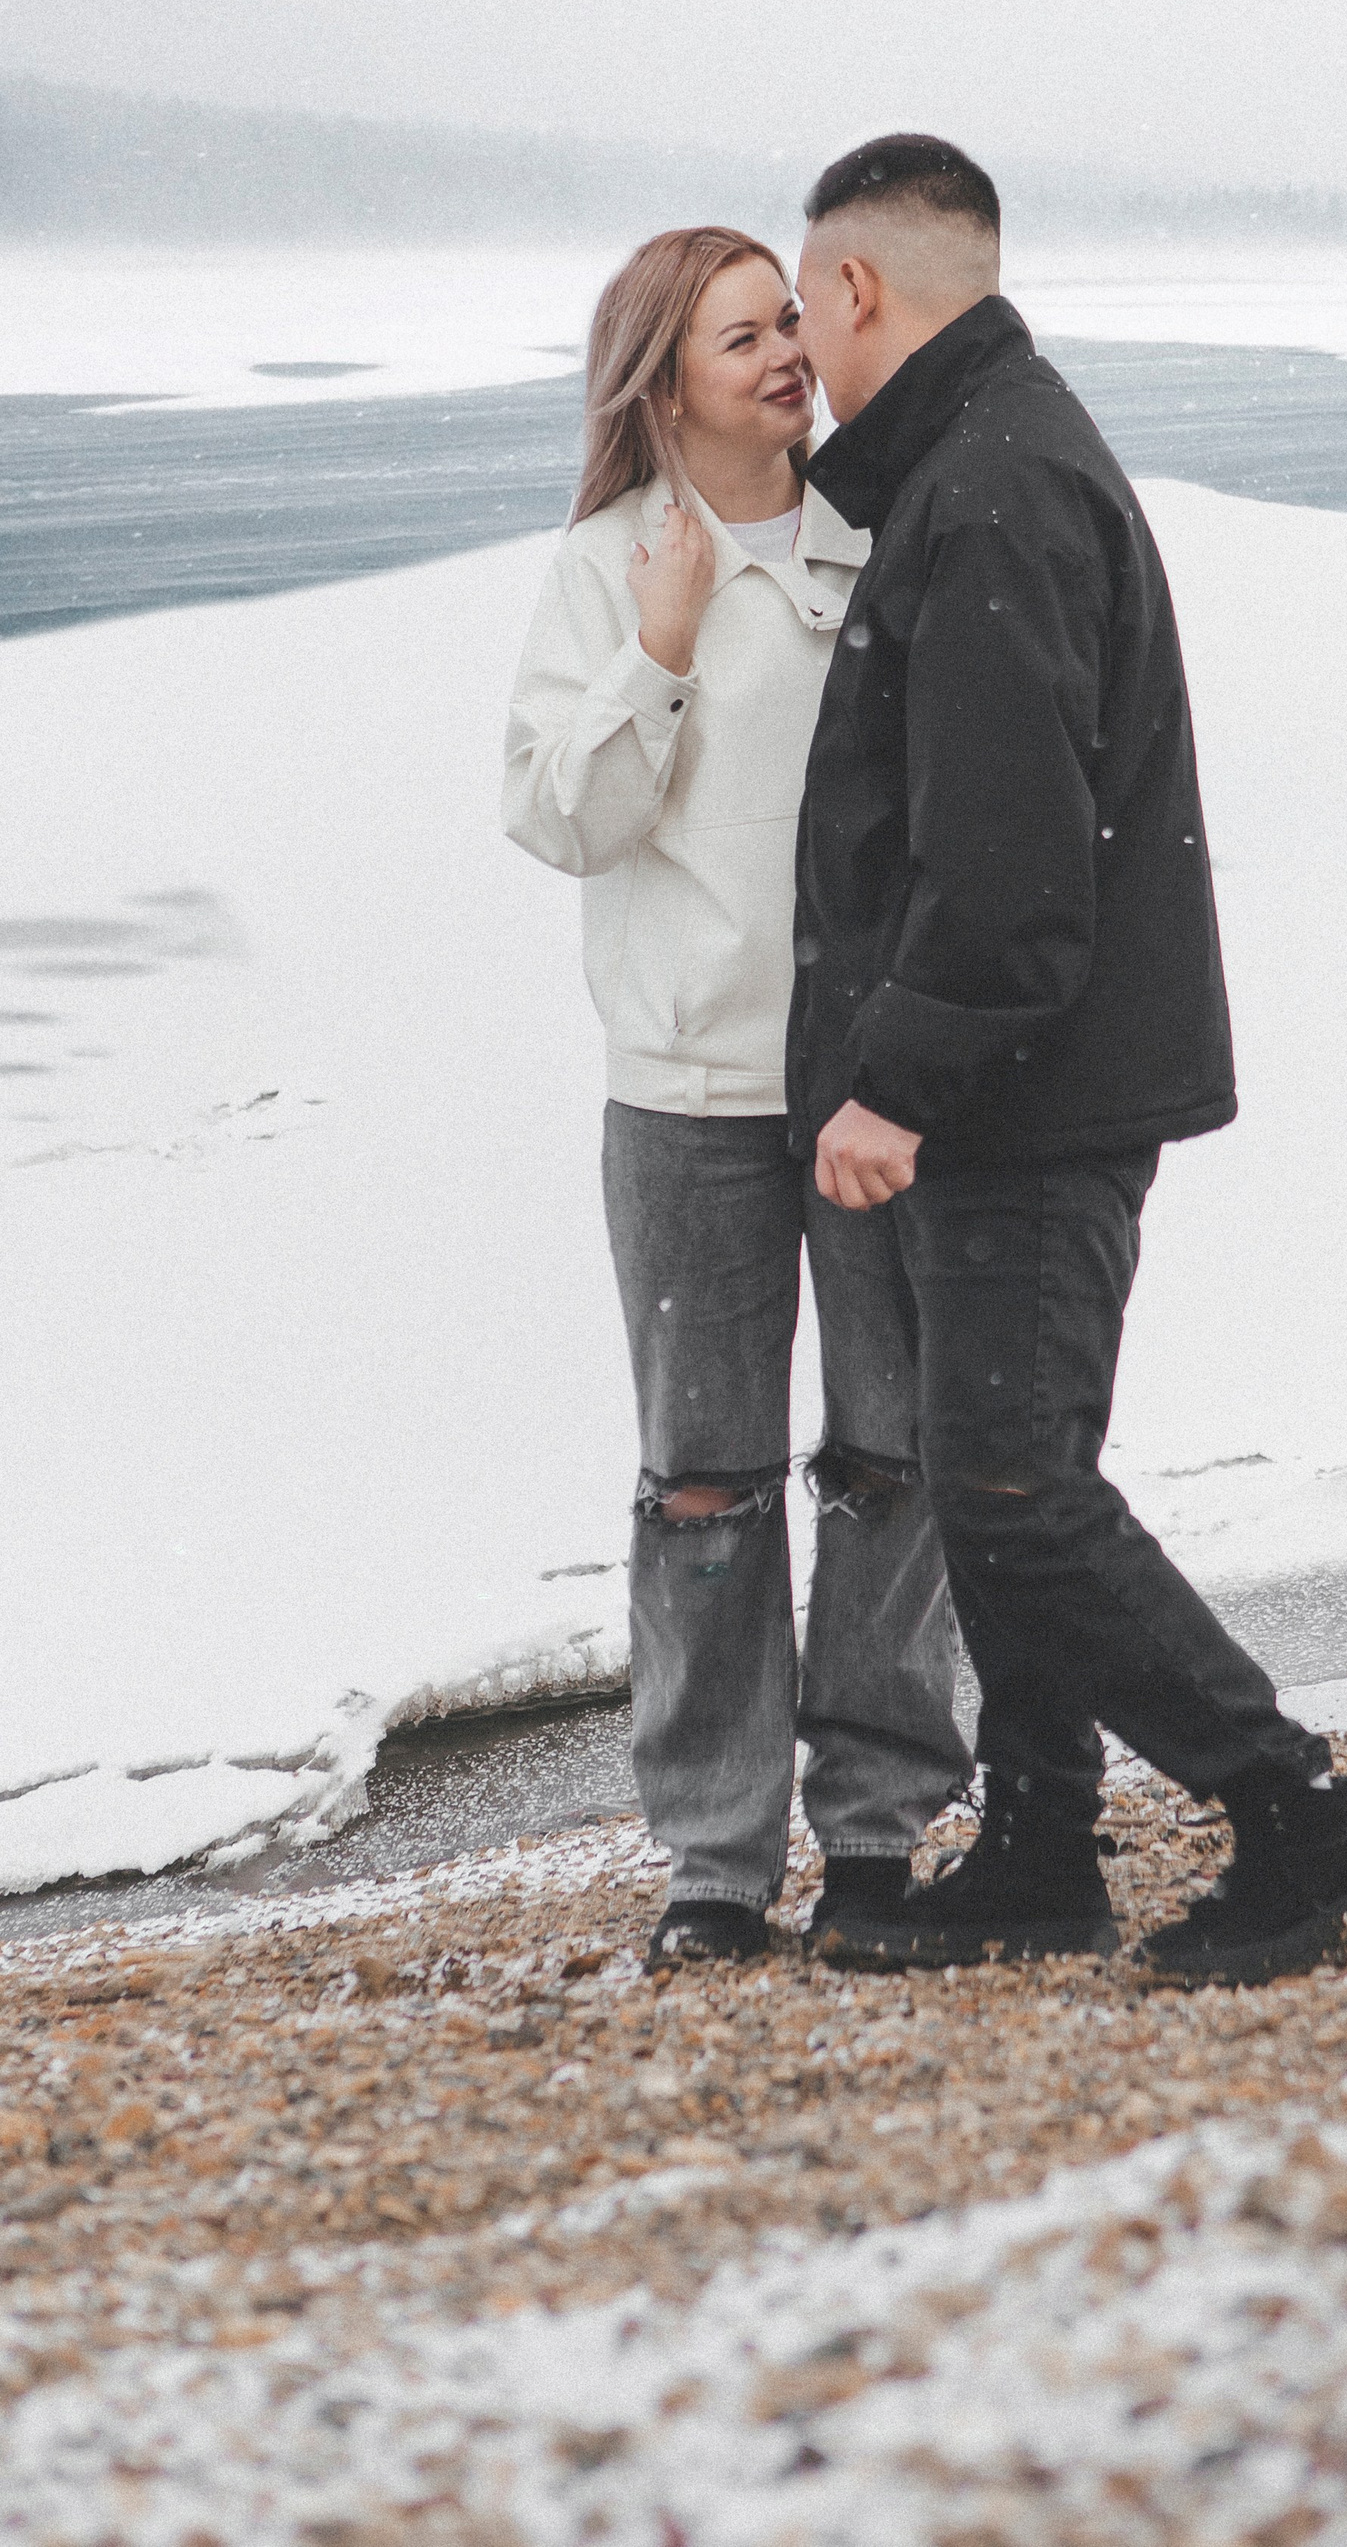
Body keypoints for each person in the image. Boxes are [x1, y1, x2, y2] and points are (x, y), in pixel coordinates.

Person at [784, 133, 1347, 1988]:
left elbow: (1013, 870)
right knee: (1007, 1487)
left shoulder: (989, 494)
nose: (805, 342)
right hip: (1033, 1082)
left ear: (863, 288)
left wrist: (896, 1082)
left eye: (809, 297)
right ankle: (1046, 1849)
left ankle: (1302, 1824)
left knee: (1013, 1497)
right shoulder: (985, 460)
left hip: (1026, 1099)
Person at [501, 226, 971, 1973]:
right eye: (741, 335)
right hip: (684, 1092)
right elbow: (565, 820)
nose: (786, 353)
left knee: (888, 1459)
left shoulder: (881, 536)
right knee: (701, 1485)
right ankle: (713, 1856)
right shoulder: (605, 568)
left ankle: (873, 1830)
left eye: (792, 321)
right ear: (663, 377)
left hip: (866, 1091)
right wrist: (664, 648)